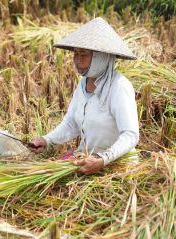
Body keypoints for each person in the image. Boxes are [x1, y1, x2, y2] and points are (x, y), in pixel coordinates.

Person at [29, 17, 139, 175]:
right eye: (76, 54)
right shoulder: (82, 84)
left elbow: (130, 135)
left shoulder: (119, 87)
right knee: (40, 174)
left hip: (116, 165)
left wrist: (103, 159)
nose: (78, 60)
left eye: (84, 55)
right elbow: (71, 124)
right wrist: (47, 140)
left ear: (102, 57)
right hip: (87, 159)